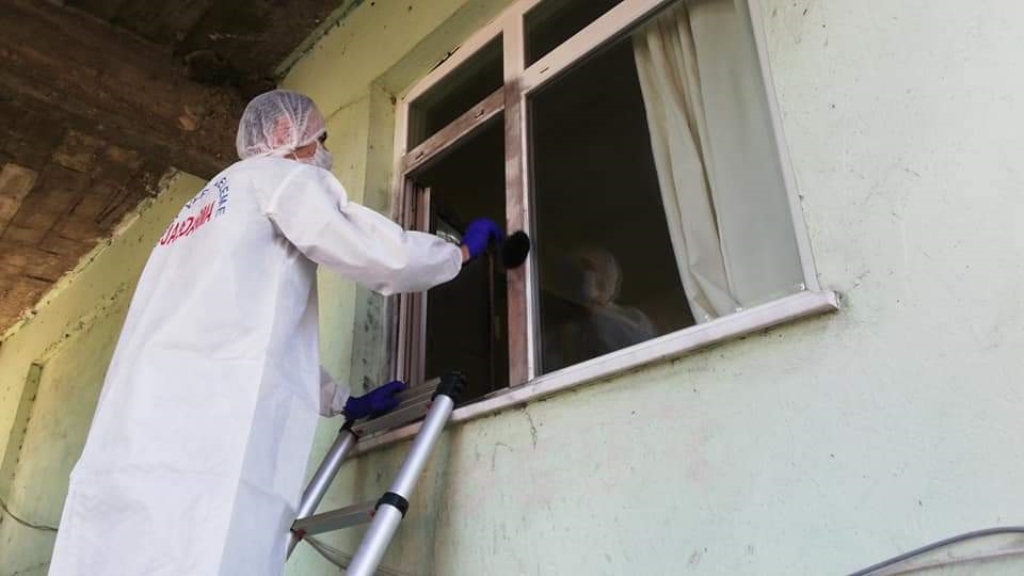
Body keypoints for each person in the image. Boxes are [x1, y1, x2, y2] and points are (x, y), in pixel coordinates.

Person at [47, 90, 502, 576]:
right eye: (321, 137)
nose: (325, 150)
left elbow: (239, 324)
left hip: (135, 429)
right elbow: (372, 251)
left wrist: (341, 400)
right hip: (213, 426)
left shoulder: (193, 216)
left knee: (121, 552)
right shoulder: (282, 179)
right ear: (286, 133)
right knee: (210, 547)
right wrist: (458, 254)